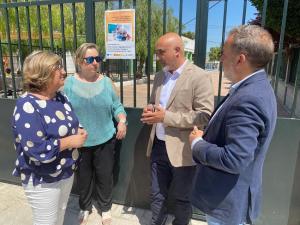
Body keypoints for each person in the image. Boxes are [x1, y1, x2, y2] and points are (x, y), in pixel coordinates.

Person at [189, 25, 277, 225]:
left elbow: (235, 159)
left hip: (228, 203)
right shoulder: (256, 87)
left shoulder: (249, 98)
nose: (220, 59)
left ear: (240, 59)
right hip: (231, 198)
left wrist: (197, 144)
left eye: (223, 54)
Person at [141, 32, 214, 225]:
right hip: (158, 146)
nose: (157, 56)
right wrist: (150, 109)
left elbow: (204, 115)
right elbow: (153, 102)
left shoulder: (199, 76)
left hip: (183, 150)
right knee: (157, 195)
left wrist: (165, 117)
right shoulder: (159, 76)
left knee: (182, 199)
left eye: (161, 52)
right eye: (157, 52)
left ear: (177, 51)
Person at [12, 50, 88, 225]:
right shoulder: (27, 105)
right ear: (42, 74)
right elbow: (35, 148)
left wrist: (80, 129)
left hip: (65, 171)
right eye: (57, 68)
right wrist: (70, 141)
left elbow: (71, 121)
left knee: (59, 215)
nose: (64, 71)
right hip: (42, 178)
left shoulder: (60, 97)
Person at [63, 43, 127, 225]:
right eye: (90, 59)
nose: (94, 63)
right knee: (83, 179)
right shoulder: (68, 84)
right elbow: (62, 111)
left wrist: (122, 120)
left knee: (105, 176)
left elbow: (117, 106)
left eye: (97, 59)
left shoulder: (107, 82)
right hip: (80, 143)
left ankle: (105, 208)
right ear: (79, 61)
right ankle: (84, 207)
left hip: (105, 139)